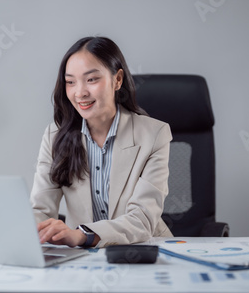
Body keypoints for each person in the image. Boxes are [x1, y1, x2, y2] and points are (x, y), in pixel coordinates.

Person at [30, 36, 173, 248]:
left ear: (117, 80)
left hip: (143, 249)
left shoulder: (154, 134)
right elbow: (39, 210)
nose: (80, 92)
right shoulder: (55, 136)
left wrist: (82, 235)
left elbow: (142, 219)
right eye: (70, 82)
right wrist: (29, 231)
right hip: (81, 257)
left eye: (92, 79)